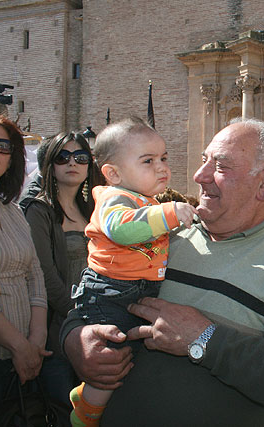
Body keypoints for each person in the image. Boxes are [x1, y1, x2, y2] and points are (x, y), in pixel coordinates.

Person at [61, 118, 264, 425]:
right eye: (203, 160)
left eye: (220, 166)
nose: (199, 175)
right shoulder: (161, 237)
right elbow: (96, 294)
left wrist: (204, 339)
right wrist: (76, 338)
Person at [67, 117, 197, 427]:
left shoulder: (144, 199)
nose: (162, 167)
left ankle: (88, 397)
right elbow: (122, 230)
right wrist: (168, 213)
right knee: (110, 356)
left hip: (135, 289)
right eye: (148, 161)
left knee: (127, 357)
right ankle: (86, 412)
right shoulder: (114, 198)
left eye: (164, 158)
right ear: (113, 173)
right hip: (110, 292)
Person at [23, 132, 102, 410]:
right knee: (63, 408)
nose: (72, 163)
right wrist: (78, 316)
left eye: (80, 157)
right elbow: (43, 276)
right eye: (62, 156)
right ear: (50, 165)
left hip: (95, 328)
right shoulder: (39, 210)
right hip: (57, 330)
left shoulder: (93, 210)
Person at [0, 114, 50, 404]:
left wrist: (37, 338)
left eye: (1, 146)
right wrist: (20, 346)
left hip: (25, 356)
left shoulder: (12, 211)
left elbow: (35, 274)